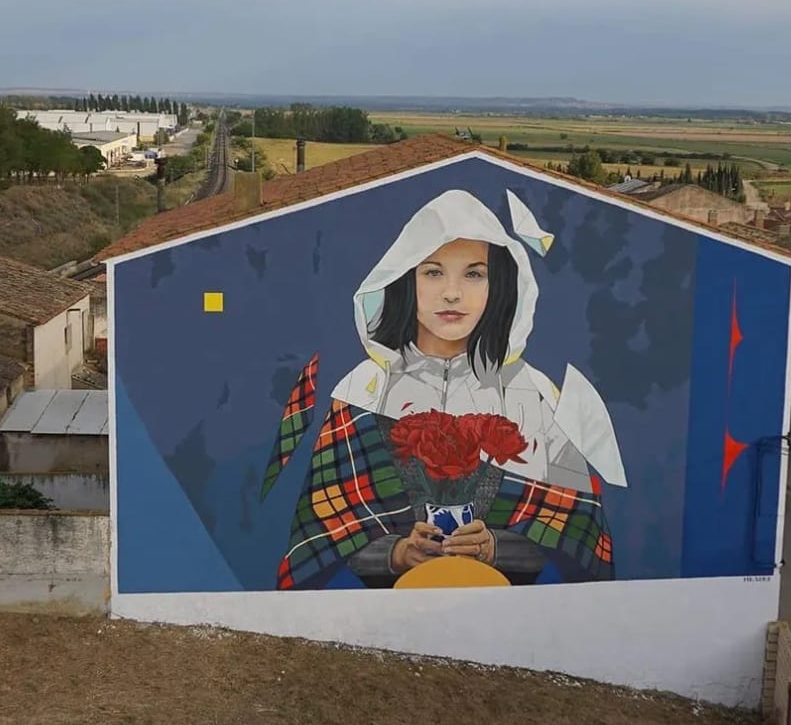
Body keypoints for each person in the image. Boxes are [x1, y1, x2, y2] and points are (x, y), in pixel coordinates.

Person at [264, 189, 627, 590]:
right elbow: (319, 543)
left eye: (474, 273)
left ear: (500, 286)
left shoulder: (532, 394)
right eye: (433, 272)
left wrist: (495, 548)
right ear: (405, 281)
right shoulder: (362, 392)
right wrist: (397, 553)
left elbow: (579, 542)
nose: (452, 293)